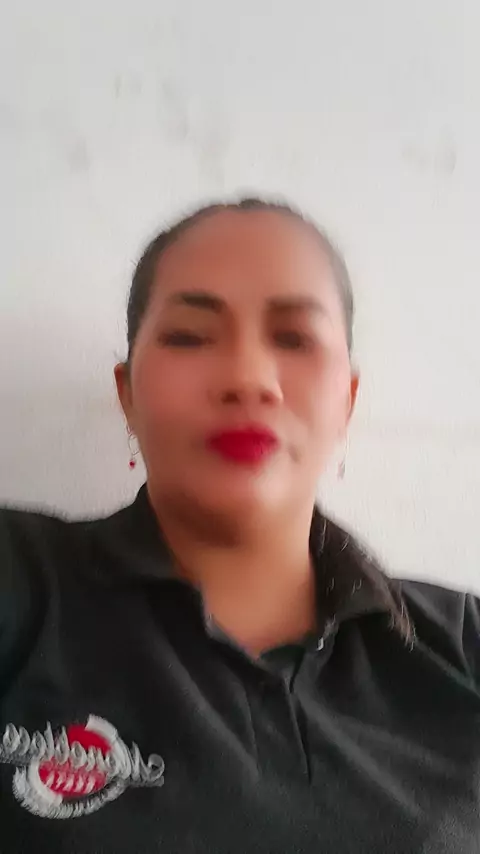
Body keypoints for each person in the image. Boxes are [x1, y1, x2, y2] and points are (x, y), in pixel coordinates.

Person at [0, 198, 478, 854]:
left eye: (294, 338)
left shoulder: (463, 646)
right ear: (127, 394)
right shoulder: (20, 583)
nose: (248, 379)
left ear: (347, 400)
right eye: (190, 336)